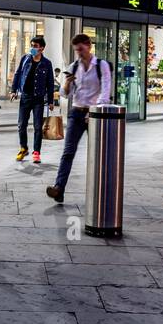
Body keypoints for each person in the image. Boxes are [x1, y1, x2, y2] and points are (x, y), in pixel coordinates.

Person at [47, 34, 113, 203]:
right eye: (76, 50)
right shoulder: (74, 66)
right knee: (68, 152)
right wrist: (67, 83)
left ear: (89, 46)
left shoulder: (101, 65)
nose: (79, 53)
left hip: (95, 114)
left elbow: (105, 92)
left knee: (99, 154)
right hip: (76, 113)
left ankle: (103, 191)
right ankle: (59, 188)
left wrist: (94, 112)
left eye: (81, 50)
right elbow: (64, 94)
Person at [10, 36, 54, 166]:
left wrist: (50, 100)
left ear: (42, 48)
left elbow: (50, 83)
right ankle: (23, 148)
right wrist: (14, 90)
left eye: (35, 46)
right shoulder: (25, 59)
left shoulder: (47, 63)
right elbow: (18, 74)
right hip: (25, 97)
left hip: (39, 99)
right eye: (32, 45)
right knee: (21, 125)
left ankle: (36, 153)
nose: (32, 48)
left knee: (37, 127)